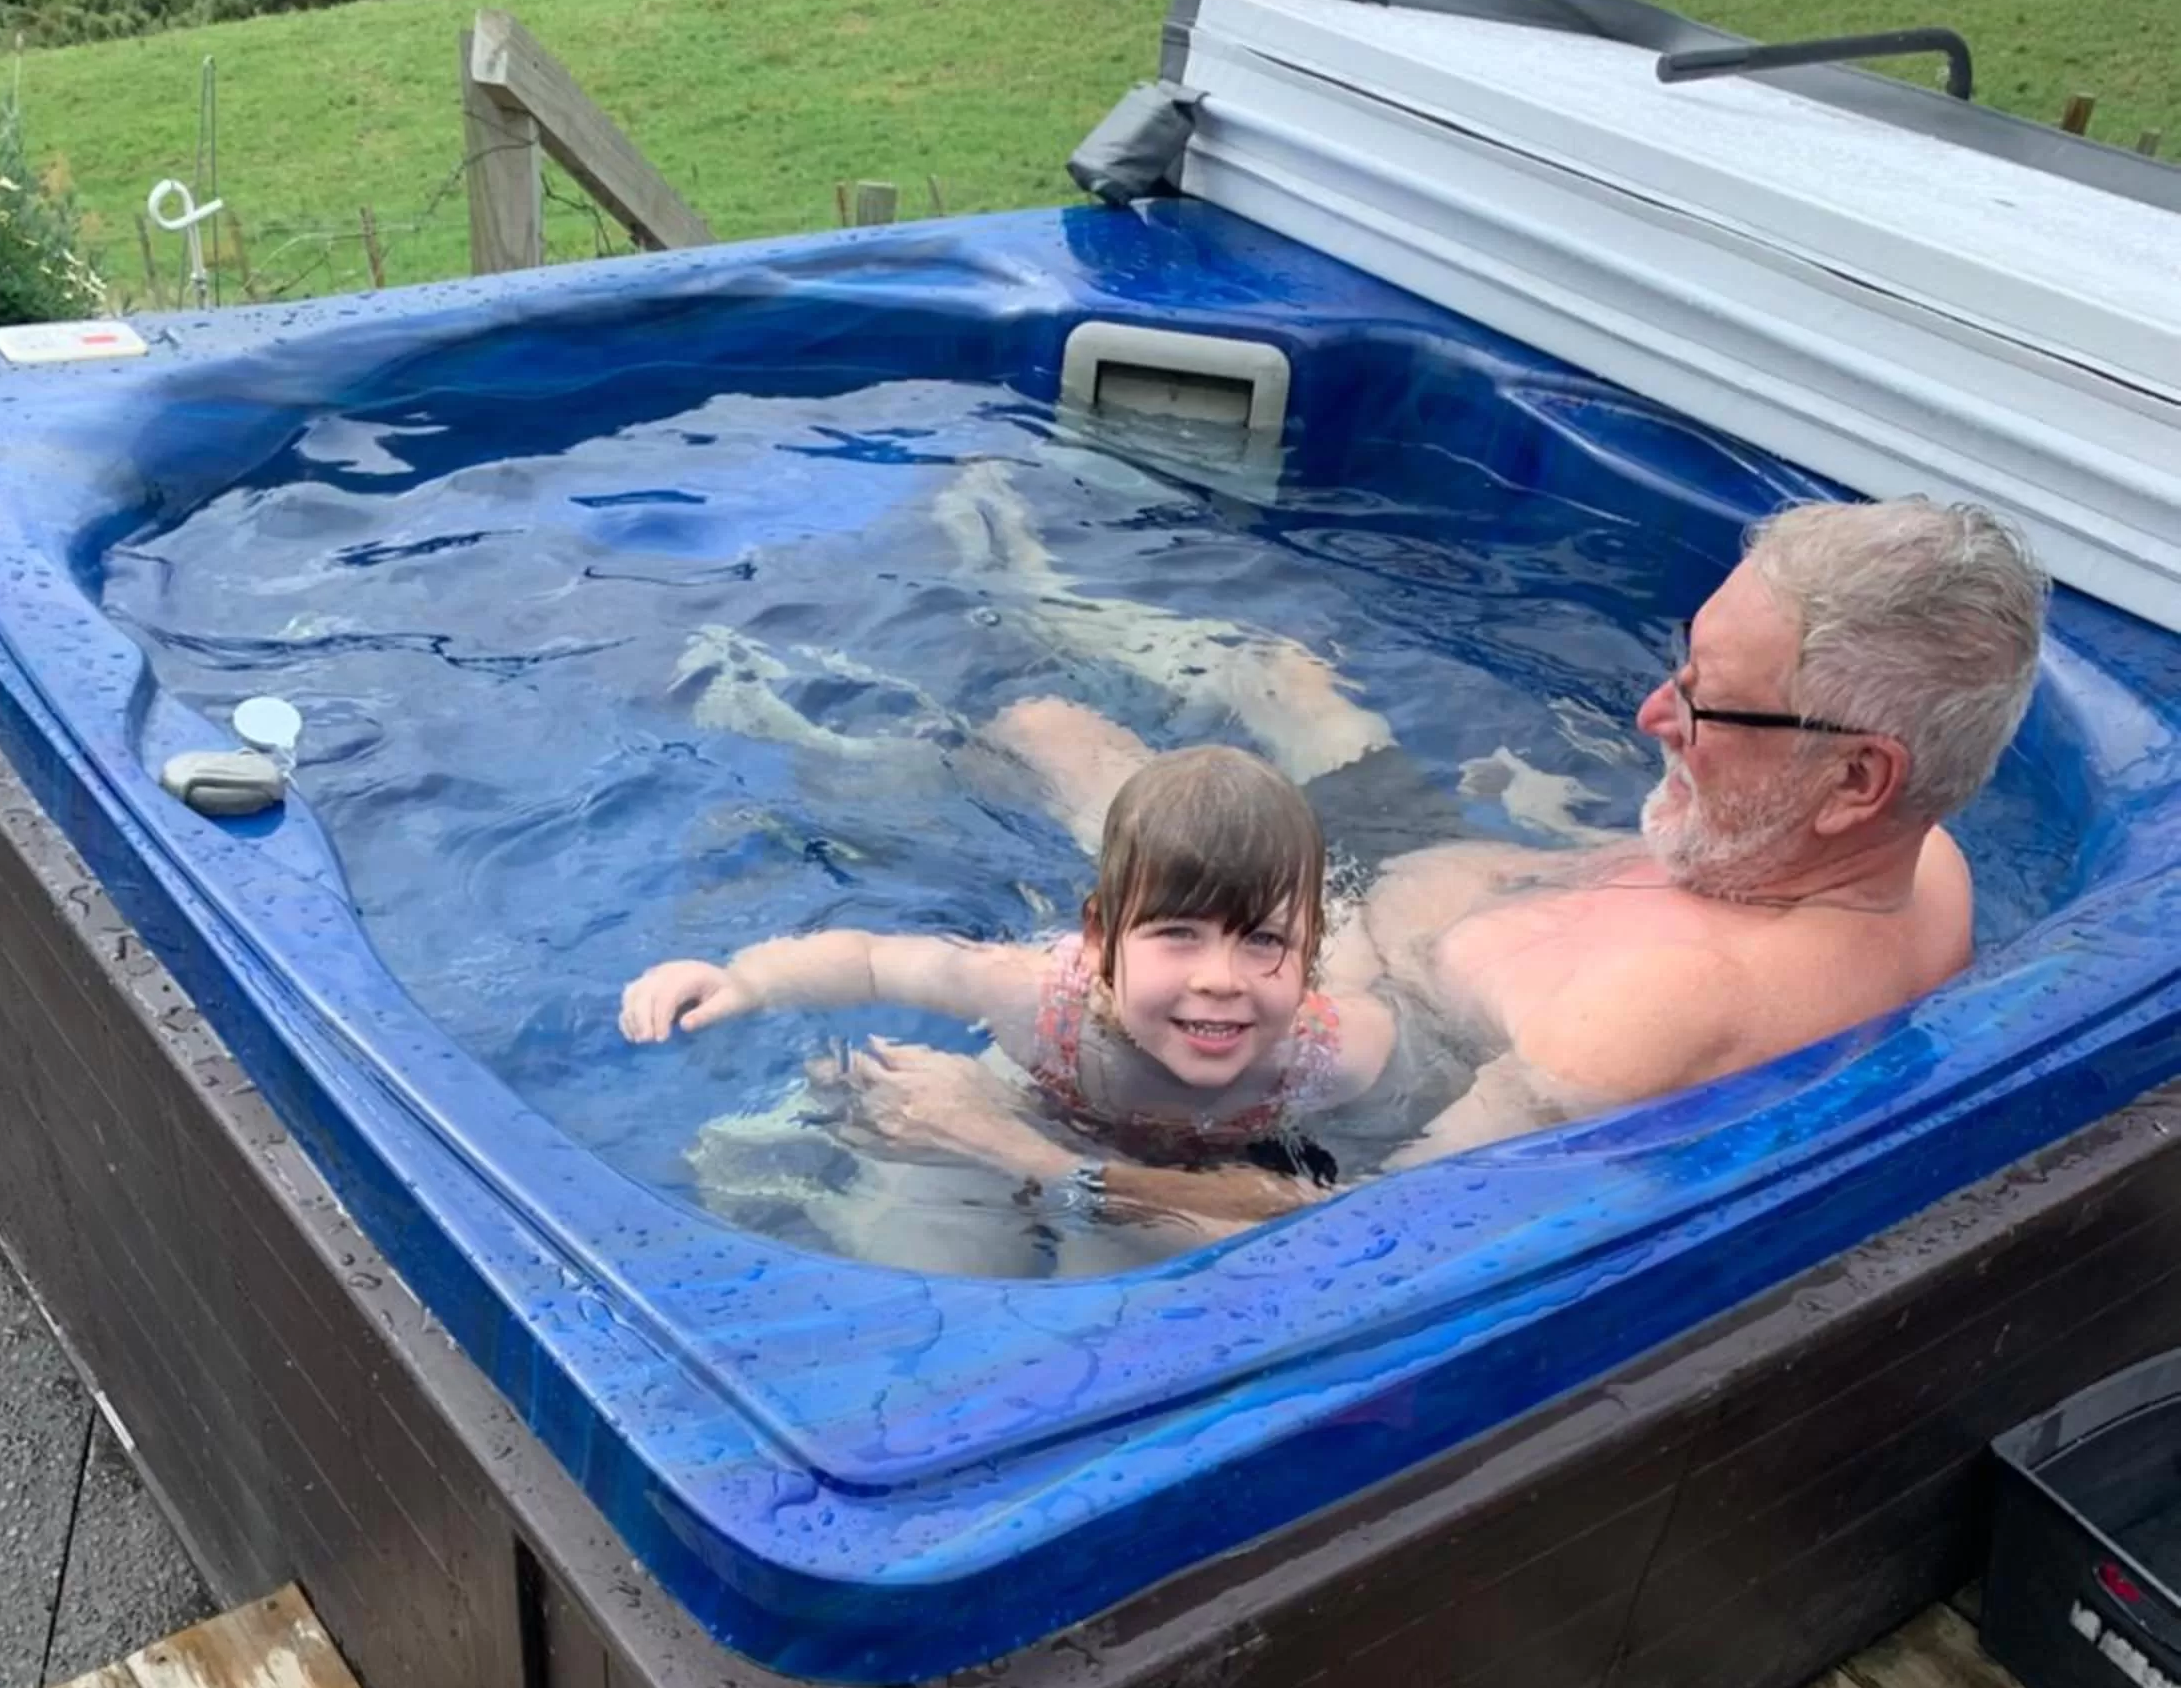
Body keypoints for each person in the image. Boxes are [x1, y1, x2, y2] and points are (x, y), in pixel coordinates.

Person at [836, 496, 2051, 1236]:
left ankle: (831, 734)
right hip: (1424, 877)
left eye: (1708, 705)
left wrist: (1015, 1154)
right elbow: (1708, 852)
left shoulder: (1641, 1027)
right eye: (1679, 668)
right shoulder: (1910, 852)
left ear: (1858, 781)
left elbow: (1352, 1237)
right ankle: (1012, 575)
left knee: (1043, 742)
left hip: (1316, 999)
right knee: (1259, 677)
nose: (1649, 712)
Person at [619, 745, 1404, 1199]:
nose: (1221, 978)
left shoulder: (1334, 1055)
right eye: (1177, 934)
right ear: (1099, 940)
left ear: (1308, 958)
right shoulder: (1034, 998)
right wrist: (745, 980)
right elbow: (871, 960)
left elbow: (1343, 1191)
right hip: (1071, 1092)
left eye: (1264, 942)